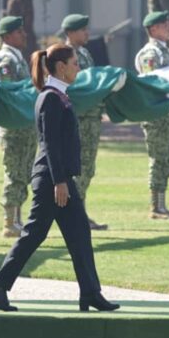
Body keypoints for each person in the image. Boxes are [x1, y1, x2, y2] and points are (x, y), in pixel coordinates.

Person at [0, 43, 119, 313]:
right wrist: (59, 182)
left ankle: (90, 293)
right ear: (60, 67)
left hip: (61, 178)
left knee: (79, 233)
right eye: (75, 63)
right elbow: (50, 144)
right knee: (33, 235)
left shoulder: (60, 95)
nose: (78, 68)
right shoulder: (50, 98)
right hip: (52, 181)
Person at [135, 11, 169, 219]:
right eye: (165, 24)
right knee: (158, 158)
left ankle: (162, 204)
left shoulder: (167, 52)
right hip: (157, 114)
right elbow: (152, 81)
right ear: (153, 29)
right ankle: (156, 207)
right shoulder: (151, 54)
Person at [0, 16, 37, 237]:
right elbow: (10, 92)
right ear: (8, 36)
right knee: (14, 172)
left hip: (24, 125)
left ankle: (17, 219)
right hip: (13, 125)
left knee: (23, 172)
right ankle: (9, 222)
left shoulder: (17, 58)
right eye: (19, 32)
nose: (24, 34)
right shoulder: (6, 60)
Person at [62, 13, 107, 230]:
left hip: (91, 118)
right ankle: (73, 216)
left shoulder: (85, 53)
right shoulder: (64, 56)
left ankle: (80, 212)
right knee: (76, 167)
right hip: (77, 119)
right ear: (70, 33)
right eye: (82, 30)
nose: (87, 33)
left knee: (87, 167)